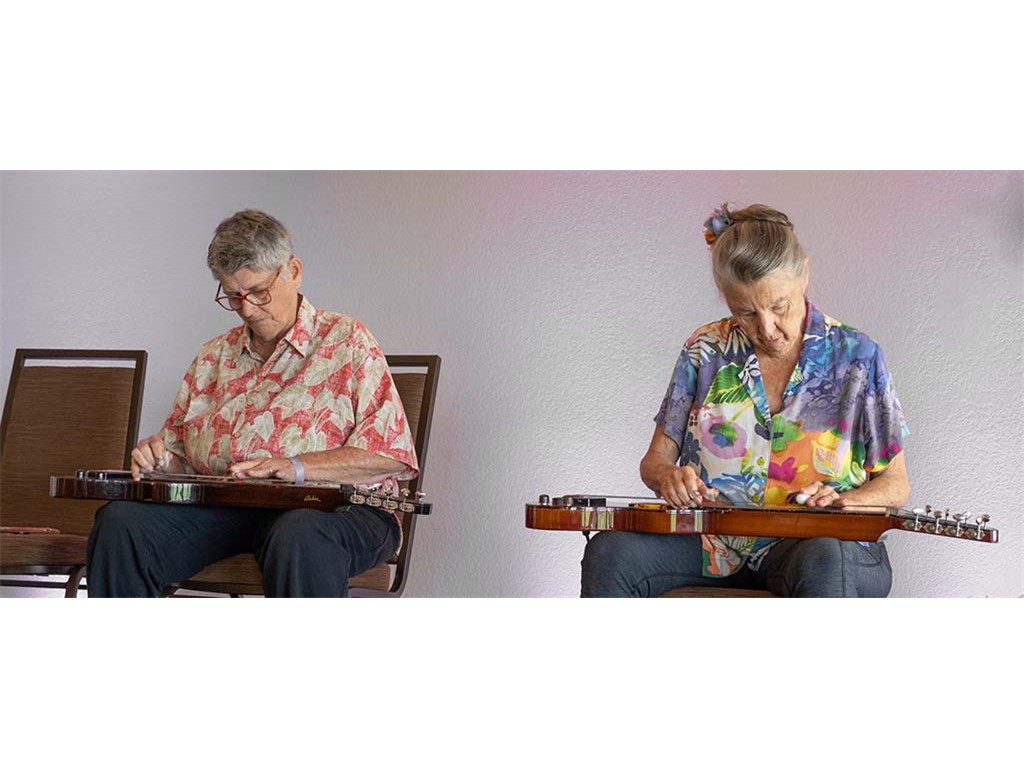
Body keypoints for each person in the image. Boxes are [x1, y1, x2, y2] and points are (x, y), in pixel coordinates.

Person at [580, 203, 910, 597]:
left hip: (816, 545)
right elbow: (654, 462)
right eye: (746, 313)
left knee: (825, 558)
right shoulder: (704, 350)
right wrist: (669, 477)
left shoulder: (858, 357)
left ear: (804, 273)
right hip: (714, 544)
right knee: (610, 552)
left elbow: (896, 484)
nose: (766, 328)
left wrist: (844, 501)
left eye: (779, 307)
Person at [86, 210, 419, 597]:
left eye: (259, 291)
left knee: (299, 534)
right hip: (232, 508)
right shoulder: (214, 356)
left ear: (293, 271)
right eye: (233, 295)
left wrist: (295, 467)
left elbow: (389, 455)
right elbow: (181, 460)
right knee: (121, 522)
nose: (247, 309)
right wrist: (159, 459)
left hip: (337, 511)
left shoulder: (347, 341)